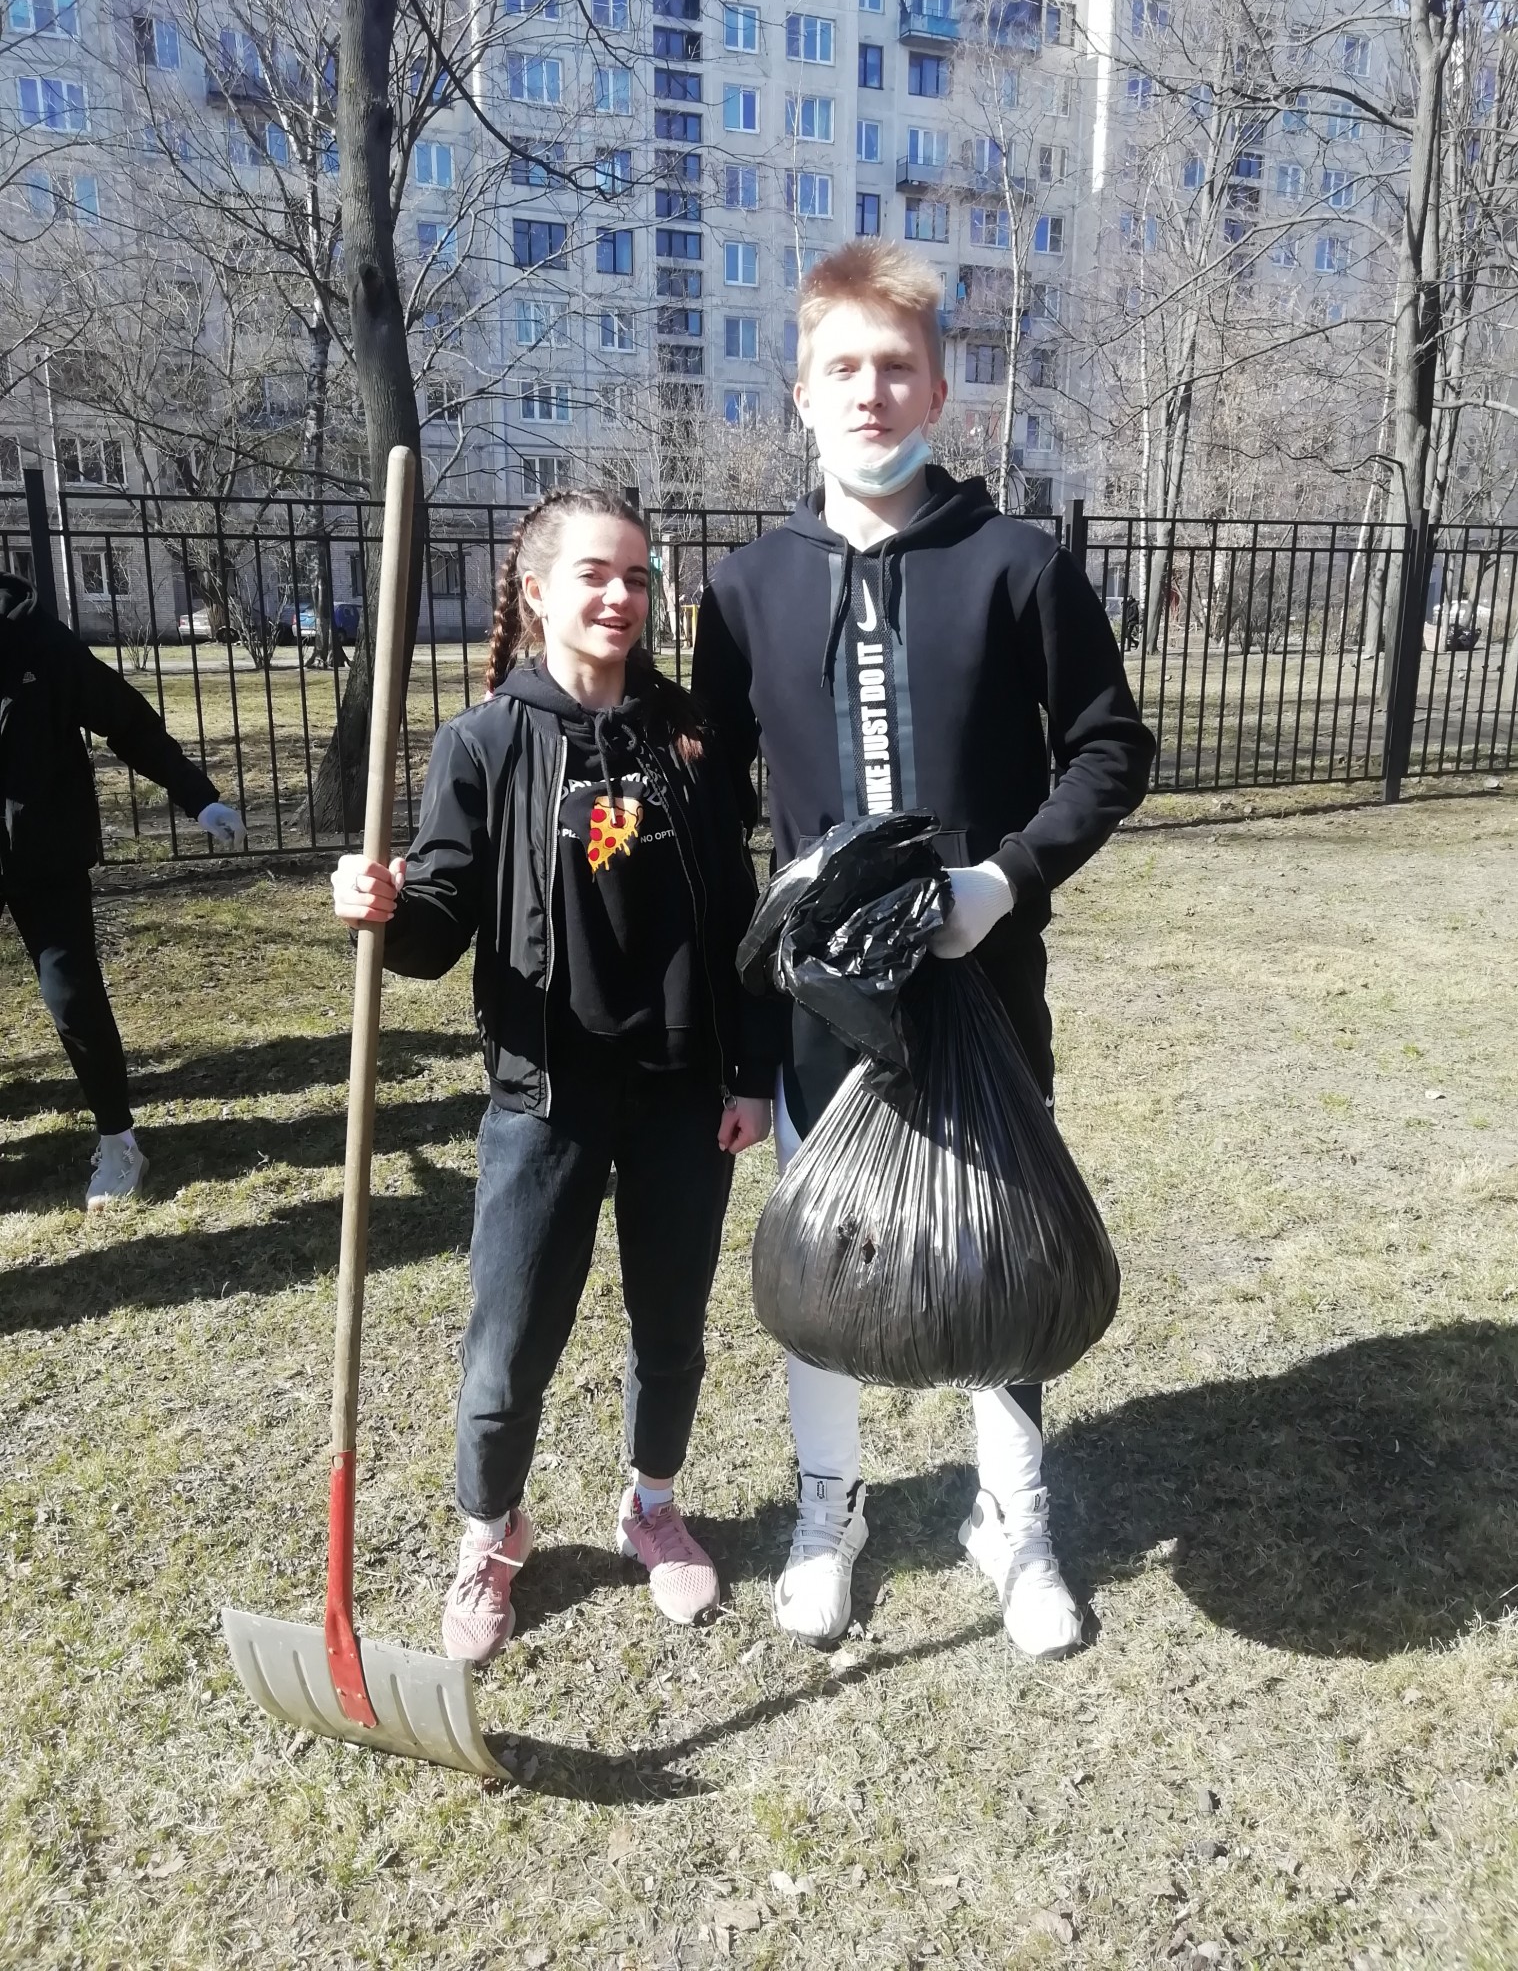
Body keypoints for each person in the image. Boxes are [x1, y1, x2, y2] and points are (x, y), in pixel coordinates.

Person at [691, 242, 1155, 1659]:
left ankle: (1013, 1516)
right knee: (823, 1250)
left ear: (939, 389)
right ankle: (827, 1509)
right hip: (819, 1009)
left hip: (984, 987)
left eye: (897, 367)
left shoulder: (1016, 563)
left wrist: (1001, 882)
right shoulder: (745, 590)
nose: (870, 392)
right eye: (842, 367)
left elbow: (1110, 749)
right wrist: (742, 1036)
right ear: (800, 392)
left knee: (997, 1246)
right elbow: (714, 819)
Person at [331, 488, 775, 1665]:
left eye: (636, 575)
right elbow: (437, 921)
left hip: (682, 1091)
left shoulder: (690, 740)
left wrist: (751, 1071)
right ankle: (492, 1532)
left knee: (670, 1324)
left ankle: (652, 1505)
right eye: (594, 573)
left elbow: (738, 916)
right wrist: (383, 907)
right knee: (510, 1342)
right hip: (545, 1097)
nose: (621, 596)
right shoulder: (483, 743)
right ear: (535, 590)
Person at [0, 569, 247, 1206]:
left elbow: (128, 723)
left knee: (71, 993)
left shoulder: (36, 640)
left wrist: (198, 799)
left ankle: (119, 1143)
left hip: (43, 851)